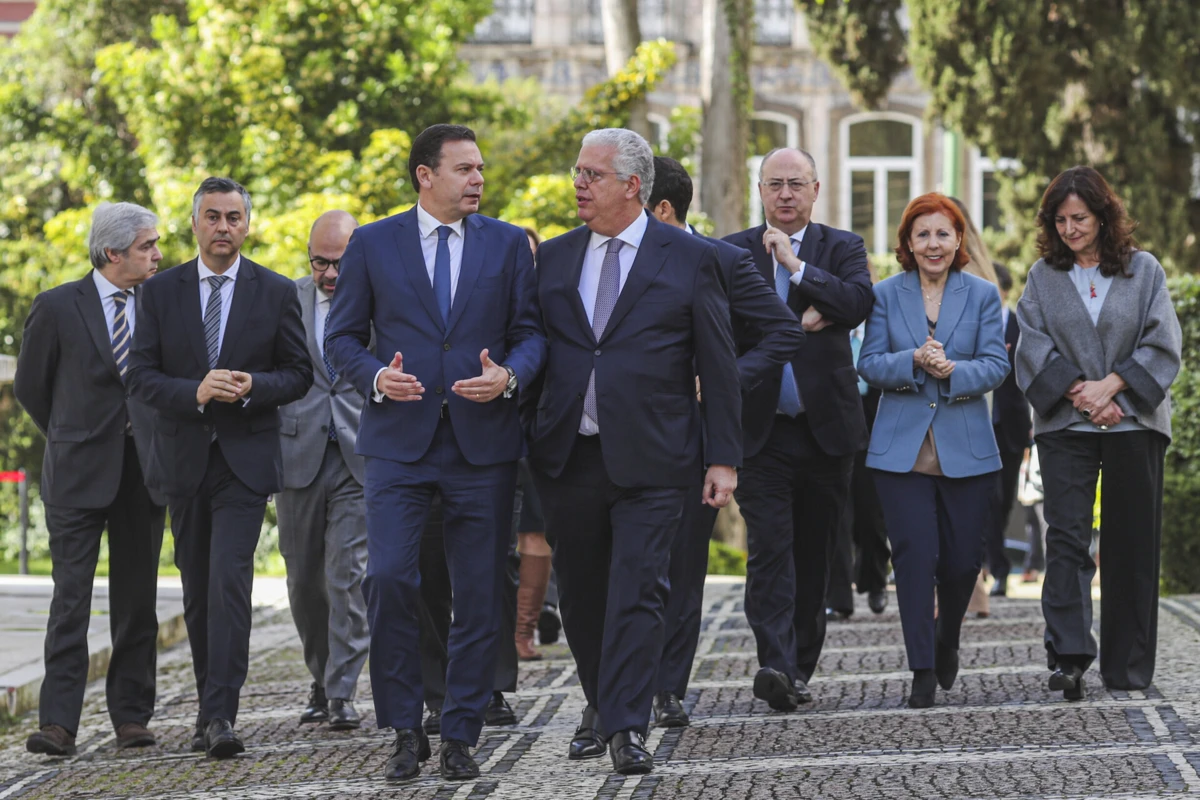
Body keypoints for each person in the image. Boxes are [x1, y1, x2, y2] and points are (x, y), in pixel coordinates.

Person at [324, 124, 546, 782]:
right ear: (426, 175)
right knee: (390, 578)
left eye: (480, 168)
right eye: (464, 169)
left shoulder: (508, 246)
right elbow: (341, 339)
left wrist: (508, 375)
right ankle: (402, 726)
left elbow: (531, 336)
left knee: (478, 593)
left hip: (484, 447)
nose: (478, 178)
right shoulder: (371, 244)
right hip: (398, 444)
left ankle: (460, 731)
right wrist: (373, 377)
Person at [526, 128, 741, 775]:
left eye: (592, 174)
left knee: (639, 592)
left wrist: (723, 457)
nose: (578, 184)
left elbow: (718, 359)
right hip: (571, 456)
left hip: (655, 459)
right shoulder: (557, 257)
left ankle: (625, 726)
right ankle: (606, 702)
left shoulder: (687, 256)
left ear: (632, 186)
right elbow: (537, 348)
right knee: (586, 599)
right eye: (577, 171)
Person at [128, 177, 313, 756]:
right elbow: (140, 376)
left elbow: (299, 374)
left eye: (234, 217)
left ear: (248, 225)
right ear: (195, 224)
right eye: (213, 216)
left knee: (230, 582)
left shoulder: (275, 291)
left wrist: (256, 385)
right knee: (198, 587)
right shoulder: (159, 293)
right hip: (184, 459)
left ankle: (220, 714)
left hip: (244, 461)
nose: (223, 227)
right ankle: (212, 702)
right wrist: (196, 391)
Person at [644, 156, 803, 728]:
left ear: (661, 208)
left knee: (682, 570)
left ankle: (668, 689)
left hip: (695, 440)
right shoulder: (599, 259)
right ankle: (610, 693)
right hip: (619, 439)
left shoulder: (719, 259)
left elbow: (783, 330)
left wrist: (724, 378)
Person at [1015, 165, 1181, 698]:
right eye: (1060, 219)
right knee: (1065, 538)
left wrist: (1112, 389)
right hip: (1066, 423)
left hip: (1133, 421)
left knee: (1132, 542)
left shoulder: (1145, 271)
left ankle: (1128, 667)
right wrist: (1081, 395)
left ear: (1103, 215)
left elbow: (1162, 345)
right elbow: (1030, 346)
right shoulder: (1043, 277)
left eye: (1079, 217)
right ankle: (1068, 655)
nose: (1070, 228)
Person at [14, 202, 168, 757]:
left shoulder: (161, 302)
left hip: (143, 472)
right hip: (77, 473)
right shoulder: (57, 307)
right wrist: (74, 434)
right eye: (147, 246)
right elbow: (33, 388)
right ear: (113, 253)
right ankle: (58, 722)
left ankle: (131, 716)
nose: (157, 254)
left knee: (138, 599)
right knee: (71, 599)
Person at [722, 148, 873, 711]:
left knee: (815, 554)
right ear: (760, 190)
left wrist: (797, 268)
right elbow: (725, 326)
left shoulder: (842, 248)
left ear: (815, 189)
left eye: (795, 185)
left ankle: (800, 663)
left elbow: (858, 302)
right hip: (761, 430)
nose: (785, 195)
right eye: (774, 184)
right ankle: (775, 664)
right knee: (768, 551)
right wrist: (798, 320)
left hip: (825, 428)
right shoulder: (732, 251)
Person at [857, 192, 1009, 709]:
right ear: (907, 242)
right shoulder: (883, 295)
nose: (933, 243)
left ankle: (947, 640)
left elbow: (996, 365)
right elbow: (870, 363)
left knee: (964, 562)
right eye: (922, 234)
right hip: (900, 451)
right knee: (915, 558)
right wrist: (913, 361)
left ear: (959, 239)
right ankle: (922, 667)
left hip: (965, 447)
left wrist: (954, 372)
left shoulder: (985, 295)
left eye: (943, 233)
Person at [275, 210, 369, 731]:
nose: (329, 274)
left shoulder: (380, 298)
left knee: (346, 576)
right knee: (303, 578)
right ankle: (321, 674)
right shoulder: (286, 299)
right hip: (297, 454)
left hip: (359, 454)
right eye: (319, 262)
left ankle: (342, 690)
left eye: (339, 263)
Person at [826, 315, 891, 621]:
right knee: (835, 514)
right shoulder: (826, 324)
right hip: (834, 422)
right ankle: (839, 596)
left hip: (873, 425)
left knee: (871, 512)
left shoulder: (879, 327)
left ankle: (875, 580)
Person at [988, 262, 1032, 598]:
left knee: (1003, 502)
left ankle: (994, 562)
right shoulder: (975, 322)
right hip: (979, 423)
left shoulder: (1021, 326)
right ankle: (997, 569)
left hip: (1013, 425)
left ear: (1004, 291)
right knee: (990, 497)